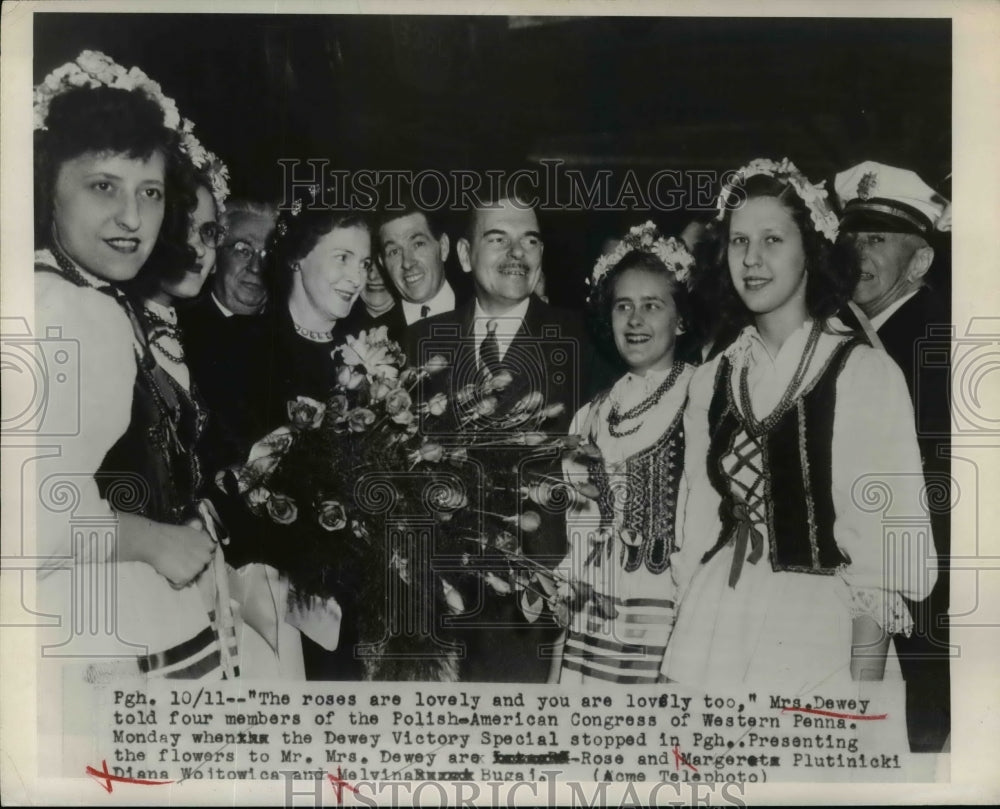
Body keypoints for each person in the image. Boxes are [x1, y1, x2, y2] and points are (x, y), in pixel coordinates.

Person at [662, 158, 936, 694]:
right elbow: (696, 532)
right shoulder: (711, 379)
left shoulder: (862, 373)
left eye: (772, 240)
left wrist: (861, 698)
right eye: (739, 242)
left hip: (821, 637)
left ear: (811, 250)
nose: (753, 260)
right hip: (717, 624)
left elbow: (883, 555)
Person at [32, 51, 229, 682]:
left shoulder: (67, 293)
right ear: (47, 190)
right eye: (102, 187)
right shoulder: (75, 312)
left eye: (148, 192)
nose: (131, 217)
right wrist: (155, 540)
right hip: (101, 624)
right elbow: (31, 519)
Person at [406, 192, 596, 681]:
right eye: (498, 238)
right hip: (428, 606)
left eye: (529, 240)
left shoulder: (584, 340)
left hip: (529, 612)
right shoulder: (421, 343)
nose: (518, 253)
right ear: (466, 255)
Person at [835, 160, 951, 752]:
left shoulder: (943, 339)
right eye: (850, 236)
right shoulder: (830, 333)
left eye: (877, 239)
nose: (857, 252)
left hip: (924, 593)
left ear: (921, 261)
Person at [549, 223, 697, 684]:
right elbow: (579, 529)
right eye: (623, 306)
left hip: (669, 621)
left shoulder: (702, 398)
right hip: (594, 616)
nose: (635, 320)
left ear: (681, 318)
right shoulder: (592, 415)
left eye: (653, 305)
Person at [178, 199, 277, 478]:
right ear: (216, 255)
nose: (257, 267)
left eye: (269, 254)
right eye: (243, 250)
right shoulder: (177, 328)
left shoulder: (289, 336)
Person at [377, 198, 462, 326]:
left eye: (418, 244)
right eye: (394, 252)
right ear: (382, 263)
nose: (407, 263)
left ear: (443, 247)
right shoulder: (374, 335)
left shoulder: (484, 310)